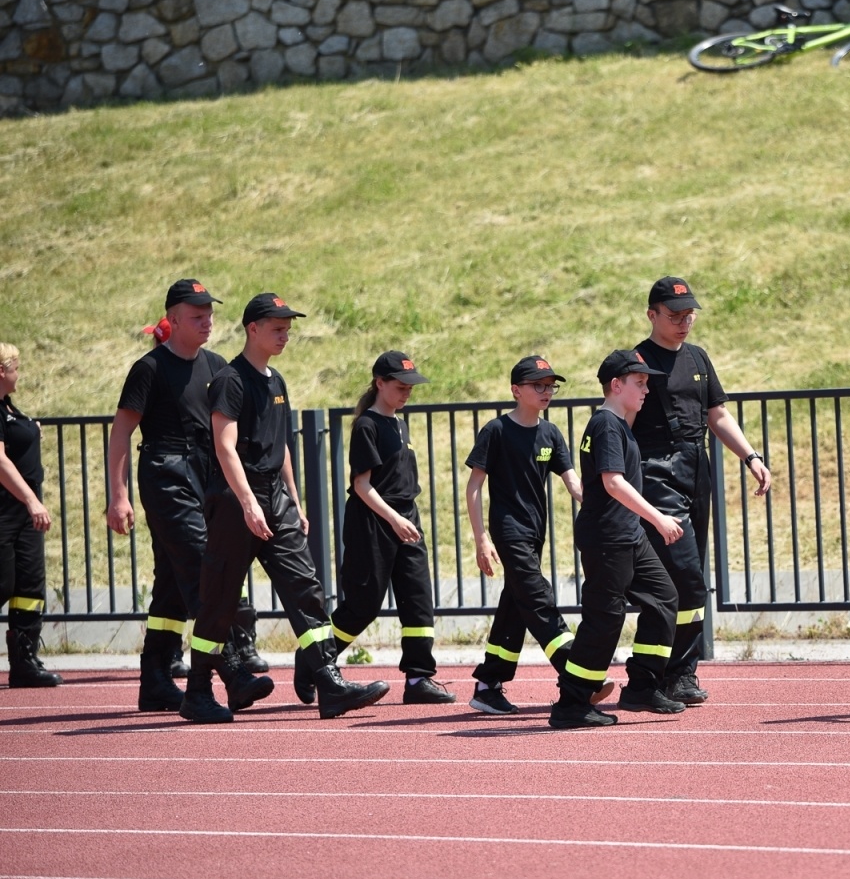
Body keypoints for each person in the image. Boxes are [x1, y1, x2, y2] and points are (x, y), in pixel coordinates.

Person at [181, 293, 388, 723]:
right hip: (238, 500)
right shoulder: (230, 380)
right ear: (252, 329)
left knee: (305, 589)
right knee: (219, 602)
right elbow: (224, 446)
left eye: (288, 327)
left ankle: (329, 683)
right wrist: (247, 504)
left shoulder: (276, 380)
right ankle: (197, 691)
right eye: (277, 327)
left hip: (275, 498)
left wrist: (292, 499)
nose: (285, 334)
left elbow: (283, 445)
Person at [107, 280, 263, 713]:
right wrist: (117, 495)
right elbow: (122, 432)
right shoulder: (150, 368)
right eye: (197, 315)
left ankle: (155, 678)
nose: (207, 321)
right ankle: (231, 669)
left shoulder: (216, 365)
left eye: (209, 313)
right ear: (172, 320)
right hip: (164, 472)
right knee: (200, 567)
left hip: (203, 473)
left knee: (173, 582)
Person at [632, 276, 772, 706]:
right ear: (652, 314)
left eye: (689, 314)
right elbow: (619, 421)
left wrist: (751, 457)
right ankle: (661, 674)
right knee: (684, 575)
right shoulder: (635, 361)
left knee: (692, 578)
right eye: (674, 315)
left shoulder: (697, 357)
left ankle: (677, 674)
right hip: (655, 469)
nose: (684, 322)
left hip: (696, 468)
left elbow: (717, 414)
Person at [551, 350, 685, 729]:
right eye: (639, 383)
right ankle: (571, 703)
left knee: (663, 598)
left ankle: (642, 685)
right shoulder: (607, 425)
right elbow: (613, 482)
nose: (646, 390)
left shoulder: (618, 424)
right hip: (608, 538)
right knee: (604, 620)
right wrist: (658, 518)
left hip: (628, 535)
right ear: (616, 385)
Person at [463, 355, 597, 716]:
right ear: (516, 390)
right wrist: (481, 540)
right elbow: (474, 486)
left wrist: (605, 502)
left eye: (550, 385)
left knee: (516, 605)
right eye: (538, 385)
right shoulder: (496, 431)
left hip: (535, 533)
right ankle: (577, 675)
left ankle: (488, 684)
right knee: (538, 595)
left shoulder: (551, 433)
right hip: (508, 531)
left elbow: (573, 483)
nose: (546, 391)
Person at [327, 351, 453, 705]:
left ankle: (418, 679)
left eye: (410, 387)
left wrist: (405, 518)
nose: (406, 393)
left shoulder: (398, 421)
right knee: (363, 605)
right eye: (400, 387)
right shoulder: (367, 425)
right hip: (374, 521)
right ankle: (316, 660)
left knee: (418, 600)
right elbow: (362, 486)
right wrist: (394, 519)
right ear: (379, 384)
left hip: (405, 519)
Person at [0, 343, 61, 689]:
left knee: (29, 585)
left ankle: (23, 662)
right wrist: (31, 501)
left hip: (24, 511)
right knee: (3, 583)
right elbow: (0, 460)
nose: (18, 373)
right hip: (7, 509)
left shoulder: (9, 408)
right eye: (16, 367)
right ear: (1, 371)